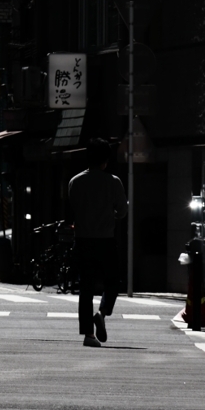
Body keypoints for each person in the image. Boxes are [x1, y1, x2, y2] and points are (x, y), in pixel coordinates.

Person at [68, 138, 128, 347]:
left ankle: (88, 335)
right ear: (105, 160)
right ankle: (102, 312)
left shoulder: (76, 181)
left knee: (86, 287)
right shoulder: (113, 182)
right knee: (113, 281)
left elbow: (72, 209)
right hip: (106, 240)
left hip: (83, 240)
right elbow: (122, 211)